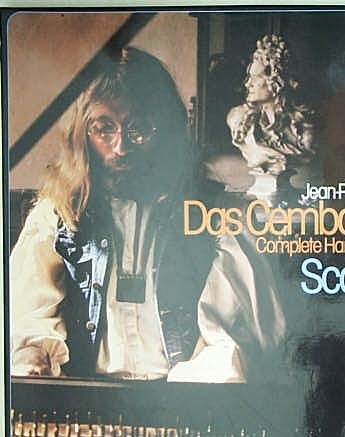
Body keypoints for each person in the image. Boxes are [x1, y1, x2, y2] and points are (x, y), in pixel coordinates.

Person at [10, 46, 285, 383]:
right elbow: (29, 318)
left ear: (166, 127)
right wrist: (32, 353)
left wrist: (199, 383)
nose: (121, 146)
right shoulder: (59, 215)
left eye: (139, 128)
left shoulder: (214, 215)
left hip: (182, 396)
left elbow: (230, 341)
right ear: (83, 133)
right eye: (104, 128)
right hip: (86, 396)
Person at [223, 34, 315, 205]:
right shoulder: (238, 119)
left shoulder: (303, 129)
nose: (247, 84)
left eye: (255, 78)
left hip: (288, 199)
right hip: (258, 197)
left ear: (276, 83)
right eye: (249, 77)